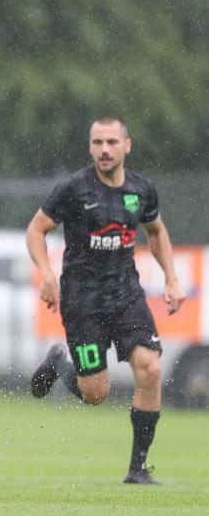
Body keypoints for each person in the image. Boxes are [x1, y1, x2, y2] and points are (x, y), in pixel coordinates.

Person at [26, 116, 185, 484]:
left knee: (151, 368)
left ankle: (138, 469)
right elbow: (36, 230)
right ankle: (58, 364)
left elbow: (156, 231)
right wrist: (47, 275)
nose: (104, 150)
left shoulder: (142, 190)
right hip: (82, 302)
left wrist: (172, 278)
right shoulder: (73, 189)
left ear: (127, 146)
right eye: (97, 143)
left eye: (112, 142)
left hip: (126, 294)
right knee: (95, 394)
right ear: (90, 147)